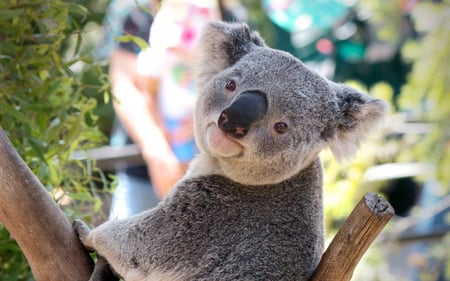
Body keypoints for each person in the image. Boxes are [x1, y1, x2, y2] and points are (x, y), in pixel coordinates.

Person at [103, 0, 244, 219]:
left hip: (214, 168)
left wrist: (208, 117)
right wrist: (157, 151)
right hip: (142, 167)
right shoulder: (135, 9)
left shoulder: (228, 11)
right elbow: (125, 86)